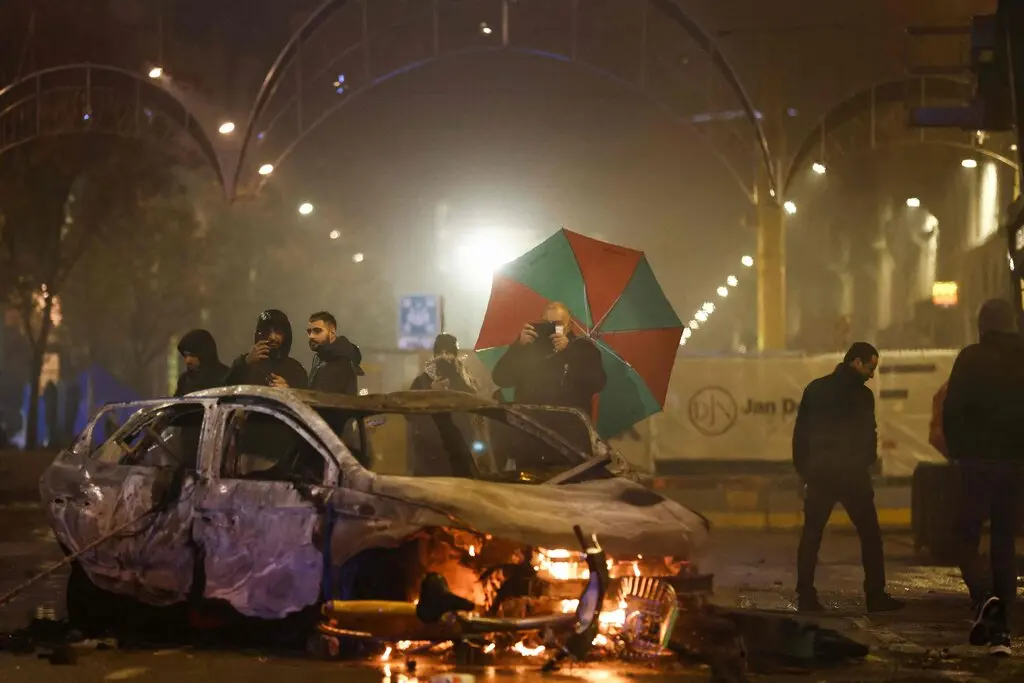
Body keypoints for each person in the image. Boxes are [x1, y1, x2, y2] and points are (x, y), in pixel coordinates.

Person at [792, 341, 904, 614]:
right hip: (853, 476)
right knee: (870, 536)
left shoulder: (815, 389)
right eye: (870, 367)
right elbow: (869, 435)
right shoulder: (863, 397)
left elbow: (800, 435)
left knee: (811, 536)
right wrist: (866, 461)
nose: (871, 374)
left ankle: (805, 595)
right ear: (856, 362)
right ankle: (875, 596)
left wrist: (804, 470)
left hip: (820, 474)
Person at [943, 298, 1024, 657]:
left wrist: (958, 452)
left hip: (976, 463)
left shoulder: (970, 358)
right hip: (1016, 464)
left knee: (964, 534)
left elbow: (951, 411)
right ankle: (1001, 634)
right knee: (1004, 541)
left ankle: (983, 596)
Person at [491, 301, 606, 415]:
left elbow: (597, 383)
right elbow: (501, 378)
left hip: (567, 421)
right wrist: (518, 347)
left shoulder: (583, 348)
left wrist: (569, 352)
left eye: (557, 324)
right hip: (529, 419)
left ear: (569, 325)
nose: (552, 327)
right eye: (547, 323)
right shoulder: (530, 346)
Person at [224, 309, 308, 389]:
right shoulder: (244, 363)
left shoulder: (295, 369)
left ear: (286, 336)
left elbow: (306, 397)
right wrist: (245, 363)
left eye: (278, 331)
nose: (272, 337)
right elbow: (224, 390)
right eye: (267, 331)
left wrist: (289, 389)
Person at [306, 311, 364, 395]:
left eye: (317, 331)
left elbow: (323, 399)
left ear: (332, 333)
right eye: (309, 332)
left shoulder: (341, 360)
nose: (311, 336)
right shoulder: (322, 357)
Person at [411, 334, 479, 394]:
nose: (444, 356)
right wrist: (431, 390)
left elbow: (472, 400)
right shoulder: (422, 380)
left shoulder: (464, 378)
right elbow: (413, 401)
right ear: (435, 355)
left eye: (448, 353)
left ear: (455, 355)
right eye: (440, 353)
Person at [174, 329, 229, 397]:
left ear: (204, 354)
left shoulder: (228, 378)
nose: (187, 360)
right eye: (185, 356)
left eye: (192, 355)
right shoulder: (184, 381)